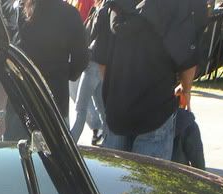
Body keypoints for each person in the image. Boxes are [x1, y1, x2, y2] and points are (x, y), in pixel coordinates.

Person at [94, 0, 206, 160]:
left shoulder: (112, 5)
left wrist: (113, 88)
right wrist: (186, 89)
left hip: (118, 108)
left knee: (116, 172)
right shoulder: (174, 6)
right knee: (149, 173)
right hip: (156, 108)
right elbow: (187, 57)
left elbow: (101, 60)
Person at [16, 0, 89, 121]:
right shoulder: (69, 13)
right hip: (55, 95)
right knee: (56, 132)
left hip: (25, 92)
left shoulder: (22, 8)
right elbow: (81, 59)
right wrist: (66, 73)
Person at [71, 1, 108, 144]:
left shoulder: (101, 9)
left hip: (93, 63)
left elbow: (90, 33)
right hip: (101, 64)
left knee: (80, 108)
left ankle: (70, 143)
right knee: (101, 109)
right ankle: (107, 142)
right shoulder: (110, 9)